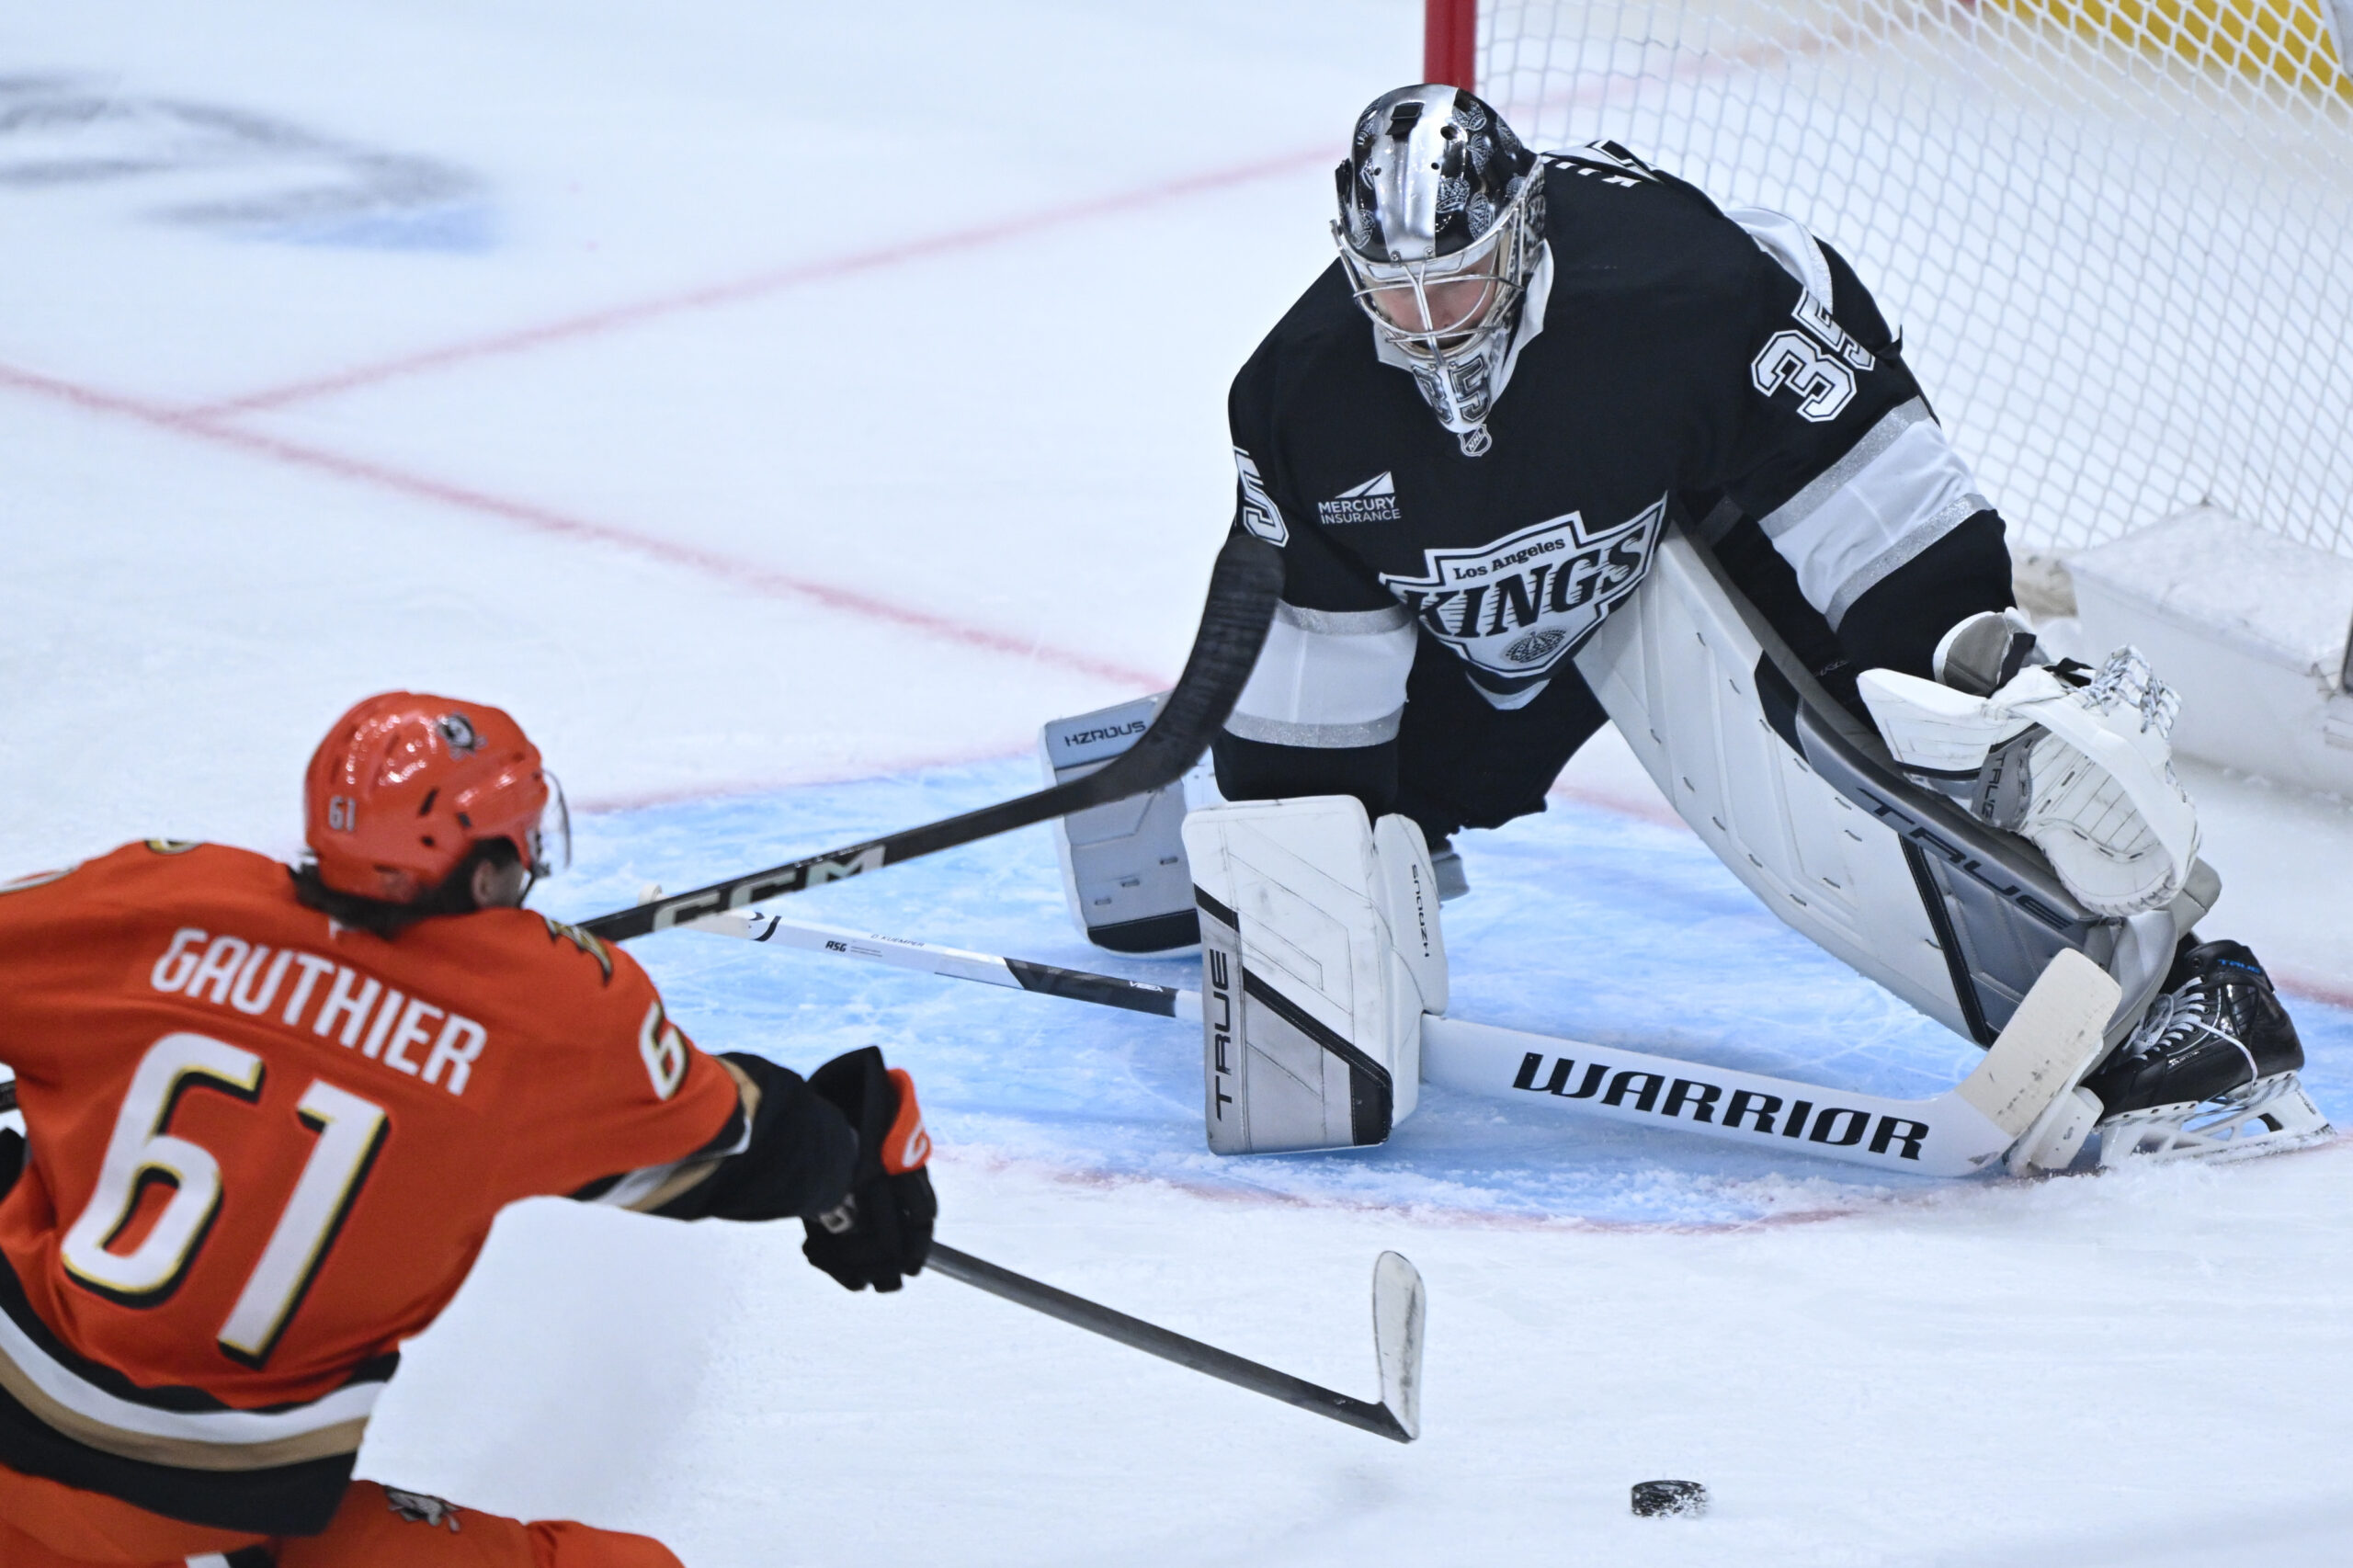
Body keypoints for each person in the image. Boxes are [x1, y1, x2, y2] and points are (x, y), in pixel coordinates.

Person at [1176, 85, 2320, 1162]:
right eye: (1394, 292)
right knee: (1325, 798)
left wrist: (1947, 637)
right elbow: (1311, 690)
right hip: (1512, 592)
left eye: (1457, 285)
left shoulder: (1682, 290)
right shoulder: (1299, 394)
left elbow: (1880, 507)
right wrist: (1308, 892)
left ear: (1521, 237)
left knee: (1878, 719)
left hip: (1710, 477)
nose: (1425, 328)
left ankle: (2177, 992)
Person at [0, 692, 936, 1567]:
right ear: (484, 867)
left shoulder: (158, 899)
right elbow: (740, 1150)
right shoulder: (545, 1018)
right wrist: (856, 1156)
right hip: (180, 1509)